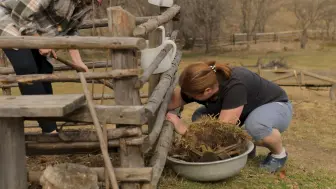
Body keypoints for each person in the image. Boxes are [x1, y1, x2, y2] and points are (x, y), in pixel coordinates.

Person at [166, 60, 293, 173]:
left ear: (207, 91)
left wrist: (184, 130)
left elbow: (222, 131)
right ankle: (243, 147)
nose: (188, 97)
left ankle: (278, 154)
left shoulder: (235, 86)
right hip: (246, 109)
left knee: (255, 126)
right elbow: (171, 101)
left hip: (276, 107)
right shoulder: (203, 83)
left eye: (192, 95)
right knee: (201, 116)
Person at [0, 0, 102, 133]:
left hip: (29, 25)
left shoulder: (85, 6)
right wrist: (40, 41)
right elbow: (22, 13)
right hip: (7, 18)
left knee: (45, 69)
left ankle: (49, 128)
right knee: (27, 68)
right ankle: (49, 129)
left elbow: (71, 30)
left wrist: (77, 60)